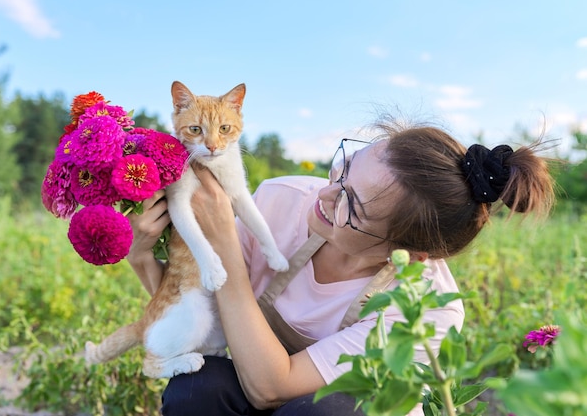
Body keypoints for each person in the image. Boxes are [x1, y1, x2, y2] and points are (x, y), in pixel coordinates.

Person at [126, 117, 555, 416]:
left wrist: (222, 240)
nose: (326, 195)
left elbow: (270, 390)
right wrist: (141, 255)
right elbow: (202, 313)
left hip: (324, 408)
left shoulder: (425, 310)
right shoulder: (281, 201)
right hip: (265, 384)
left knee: (328, 411)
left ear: (409, 253)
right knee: (199, 389)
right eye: (344, 169)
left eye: (352, 205)